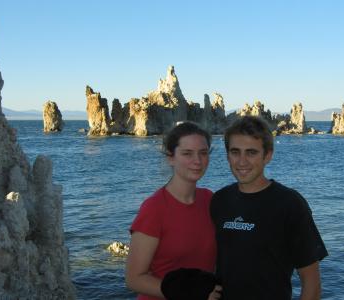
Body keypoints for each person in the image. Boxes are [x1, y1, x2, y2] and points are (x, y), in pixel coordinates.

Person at [210, 116, 328, 300]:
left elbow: (311, 281)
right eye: (235, 152)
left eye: (251, 152)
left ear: (268, 155)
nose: (242, 161)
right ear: (227, 156)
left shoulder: (289, 204)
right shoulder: (219, 200)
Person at [125, 122, 221, 300]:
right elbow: (134, 279)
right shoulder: (154, 208)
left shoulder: (210, 200)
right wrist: (190, 292)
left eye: (203, 153)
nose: (197, 161)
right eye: (187, 153)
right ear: (171, 157)